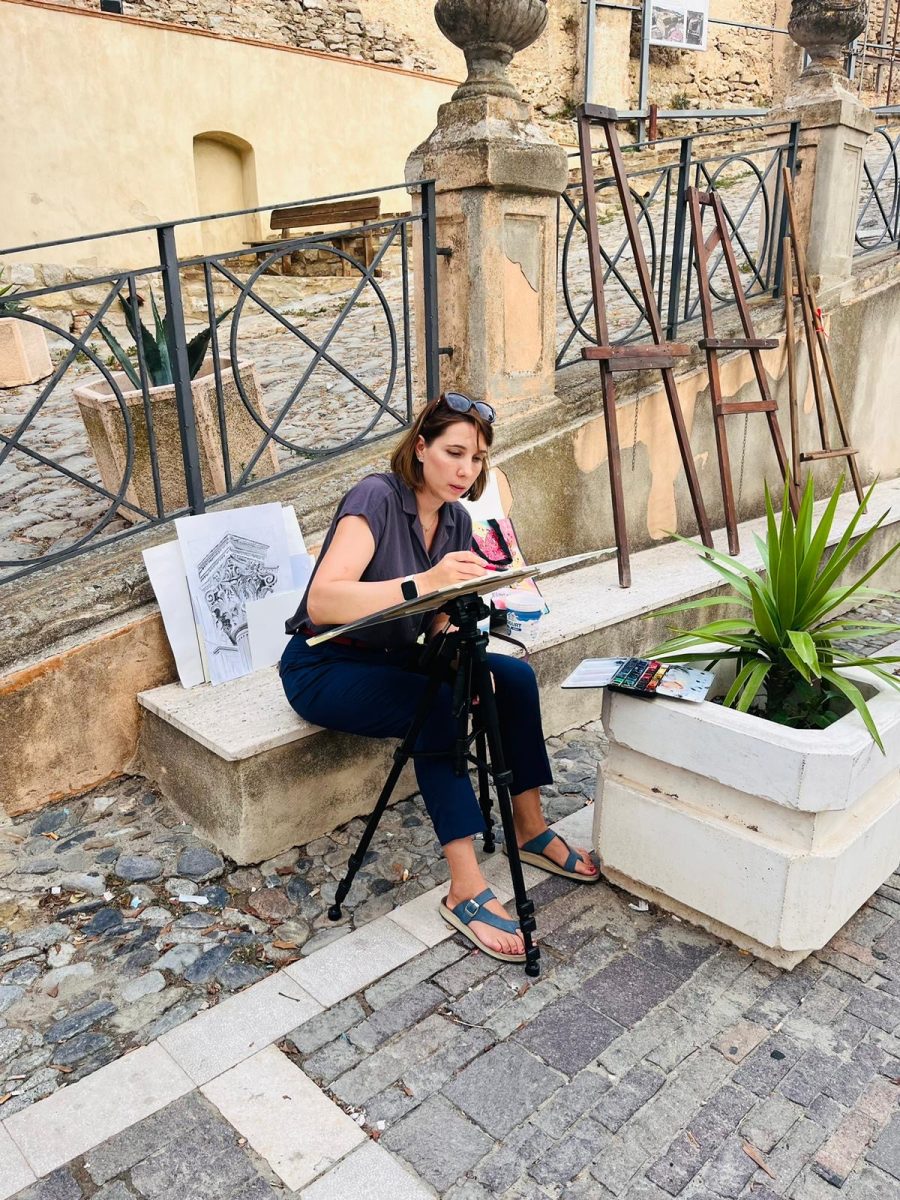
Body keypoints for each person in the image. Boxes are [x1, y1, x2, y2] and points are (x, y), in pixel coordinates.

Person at [280, 392, 599, 964]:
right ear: (421, 447)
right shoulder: (376, 497)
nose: (464, 470)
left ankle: (529, 828)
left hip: (399, 655)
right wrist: (426, 583)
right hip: (327, 663)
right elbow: (324, 600)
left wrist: (457, 631)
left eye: (476, 458)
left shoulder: (456, 520)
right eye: (454, 452)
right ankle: (465, 887)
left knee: (513, 679)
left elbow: (433, 616)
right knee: (435, 709)